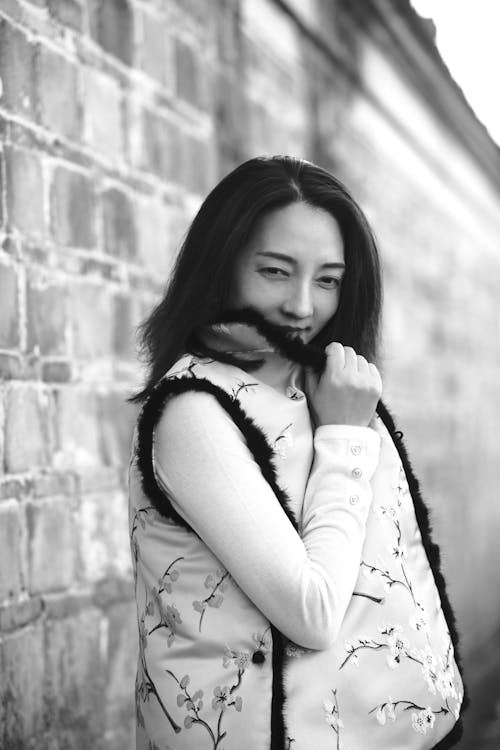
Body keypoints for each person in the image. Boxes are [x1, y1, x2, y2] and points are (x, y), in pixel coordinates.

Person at [127, 155, 468, 750]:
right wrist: (344, 438)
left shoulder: (313, 385)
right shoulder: (193, 413)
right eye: (276, 271)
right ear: (221, 266)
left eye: (329, 280)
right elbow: (311, 613)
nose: (303, 306)